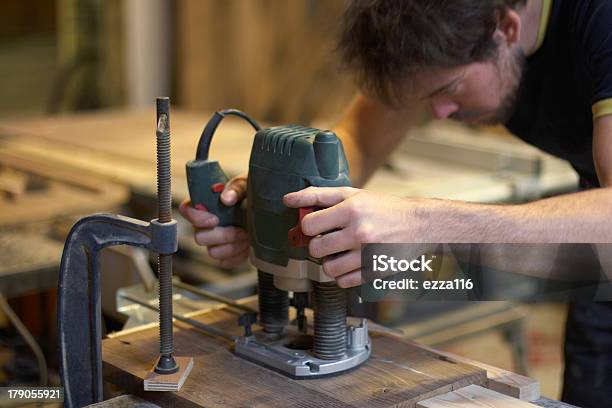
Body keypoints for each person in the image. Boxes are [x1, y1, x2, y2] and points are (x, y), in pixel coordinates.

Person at [179, 1, 612, 406]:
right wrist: (272, 207)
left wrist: (423, 222)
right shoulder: (443, 26)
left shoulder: (600, 22)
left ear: (506, 27)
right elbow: (359, 142)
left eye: (448, 88)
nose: (438, 112)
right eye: (424, 98)